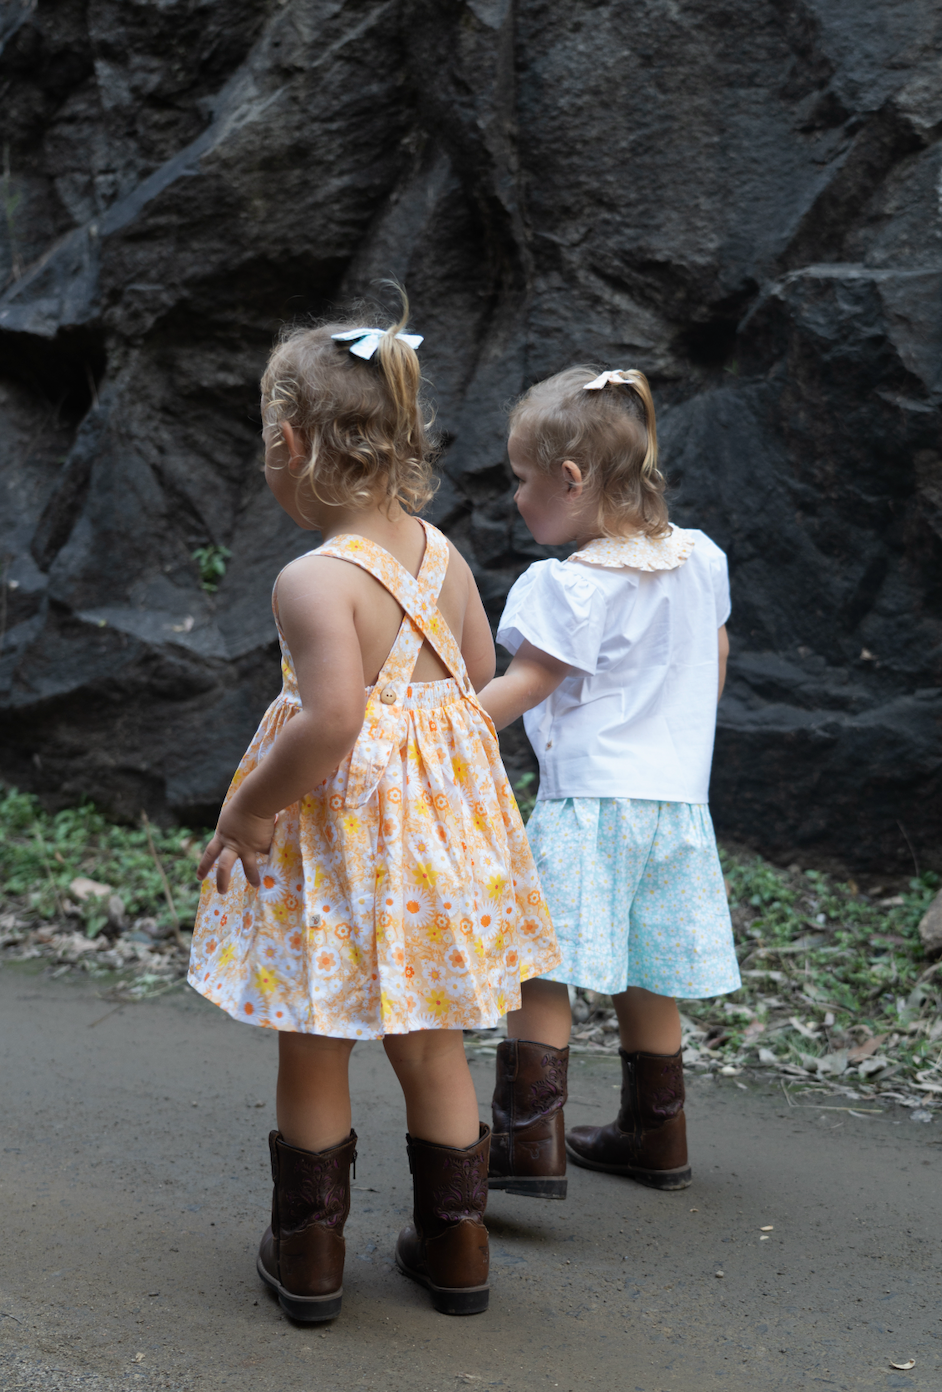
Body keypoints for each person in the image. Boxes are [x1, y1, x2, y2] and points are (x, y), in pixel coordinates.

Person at [188, 300, 559, 1321]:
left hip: (339, 847)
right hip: (436, 849)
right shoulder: (443, 557)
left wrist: (251, 809)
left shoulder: (313, 580)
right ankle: (457, 1249)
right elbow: (473, 676)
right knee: (433, 1045)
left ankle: (309, 1256)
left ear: (290, 444)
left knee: (316, 1037)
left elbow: (333, 720)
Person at [476, 366, 740, 1201]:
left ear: (571, 478)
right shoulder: (701, 560)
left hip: (589, 806)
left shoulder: (573, 586)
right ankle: (657, 1134)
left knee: (540, 969)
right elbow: (715, 658)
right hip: (676, 804)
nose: (516, 497)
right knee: (649, 966)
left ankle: (527, 1142)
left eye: (522, 479)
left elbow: (525, 685)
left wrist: (437, 730)